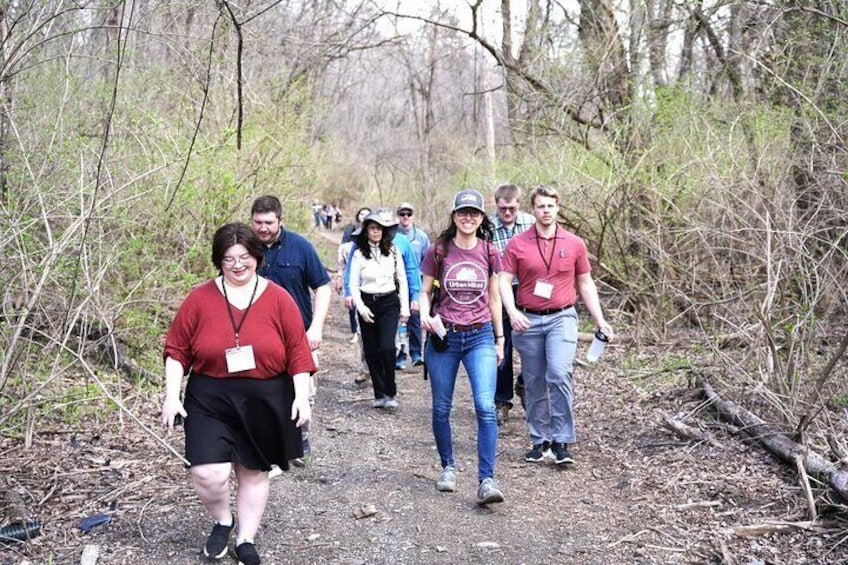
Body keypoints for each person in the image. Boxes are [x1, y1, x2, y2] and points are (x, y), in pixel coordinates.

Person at [160, 223, 315, 565]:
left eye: (244, 257)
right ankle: (223, 520)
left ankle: (245, 538)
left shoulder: (278, 298)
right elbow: (176, 351)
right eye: (229, 259)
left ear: (257, 257)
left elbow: (298, 353)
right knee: (207, 473)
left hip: (265, 394)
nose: (238, 265)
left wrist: (301, 397)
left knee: (253, 471)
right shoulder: (200, 298)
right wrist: (172, 396)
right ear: (219, 261)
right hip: (209, 396)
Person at [499, 185, 613, 466]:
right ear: (533, 209)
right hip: (528, 319)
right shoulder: (518, 243)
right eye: (540, 206)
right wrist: (511, 311)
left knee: (559, 374)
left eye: (550, 206)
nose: (546, 211)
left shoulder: (574, 243)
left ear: (558, 208)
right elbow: (503, 279)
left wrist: (600, 319)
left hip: (562, 316)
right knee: (535, 381)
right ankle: (540, 441)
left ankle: (562, 440)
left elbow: (585, 282)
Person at [418, 189, 506, 506]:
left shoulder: (490, 252)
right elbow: (425, 291)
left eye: (474, 213)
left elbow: (495, 299)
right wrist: (425, 314)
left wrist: (500, 339)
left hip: (480, 335)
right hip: (445, 337)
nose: (468, 218)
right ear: (454, 216)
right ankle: (448, 467)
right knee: (442, 407)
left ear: (482, 218)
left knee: (485, 406)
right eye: (462, 213)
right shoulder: (438, 250)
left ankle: (487, 479)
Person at [250, 195, 331, 465]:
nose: (263, 228)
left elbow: (322, 286)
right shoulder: (245, 249)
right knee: (261, 391)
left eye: (268, 223)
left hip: (299, 334)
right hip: (257, 336)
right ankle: (265, 442)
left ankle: (300, 438)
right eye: (258, 222)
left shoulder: (300, 247)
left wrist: (316, 327)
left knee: (305, 389)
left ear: (280, 220)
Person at [343, 208, 421, 385]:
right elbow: (352, 275)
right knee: (369, 345)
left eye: (382, 226)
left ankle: (388, 382)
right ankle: (370, 375)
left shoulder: (399, 246)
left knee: (388, 345)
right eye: (373, 227)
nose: (377, 230)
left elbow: (409, 272)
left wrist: (411, 300)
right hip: (367, 299)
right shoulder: (358, 250)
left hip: (390, 299)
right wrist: (351, 296)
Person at [490, 183, 536, 425]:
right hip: (498, 291)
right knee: (502, 347)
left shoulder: (531, 223)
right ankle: (502, 401)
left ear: (519, 204)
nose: (507, 213)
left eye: (511, 208)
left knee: (530, 346)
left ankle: (525, 386)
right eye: (502, 208)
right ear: (496, 205)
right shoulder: (487, 227)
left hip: (527, 290)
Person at [395, 202, 430, 369]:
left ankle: (416, 354)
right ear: (398, 216)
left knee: (415, 319)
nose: (406, 217)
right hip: (396, 286)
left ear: (413, 216)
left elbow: (428, 262)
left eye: (409, 214)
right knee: (400, 321)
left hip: (416, 284)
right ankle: (399, 356)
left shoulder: (421, 237)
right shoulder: (391, 235)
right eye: (402, 214)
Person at [338, 207, 372, 348]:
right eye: (362, 213)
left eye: (367, 214)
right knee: (353, 305)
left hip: (370, 279)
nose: (364, 216)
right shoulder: (350, 231)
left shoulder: (377, 233)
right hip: (352, 273)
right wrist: (341, 278)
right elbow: (344, 250)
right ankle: (355, 332)